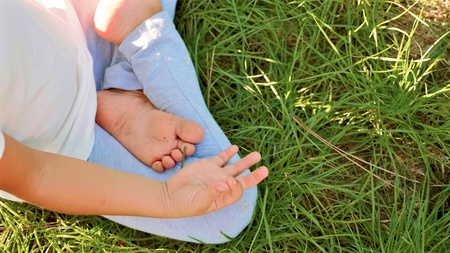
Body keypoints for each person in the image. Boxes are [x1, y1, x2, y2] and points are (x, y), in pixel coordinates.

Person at [0, 0, 269, 244]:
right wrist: (166, 197)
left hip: (66, 20)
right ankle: (141, 39)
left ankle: (128, 77)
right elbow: (38, 174)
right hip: (66, 143)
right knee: (226, 207)